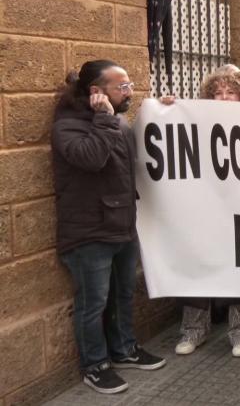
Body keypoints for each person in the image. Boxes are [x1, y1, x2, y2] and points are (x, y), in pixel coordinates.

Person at [53, 60, 166, 394]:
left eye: (130, 85)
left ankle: (124, 348)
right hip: (89, 232)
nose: (129, 91)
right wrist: (103, 118)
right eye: (123, 87)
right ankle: (95, 364)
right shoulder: (67, 126)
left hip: (122, 224)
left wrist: (166, 114)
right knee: (93, 303)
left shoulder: (115, 120)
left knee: (123, 294)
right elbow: (91, 158)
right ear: (96, 93)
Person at [174, 67, 240, 358]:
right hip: (205, 209)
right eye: (218, 92)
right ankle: (193, 330)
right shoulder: (198, 121)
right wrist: (166, 111)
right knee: (198, 267)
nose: (224, 97)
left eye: (230, 92)